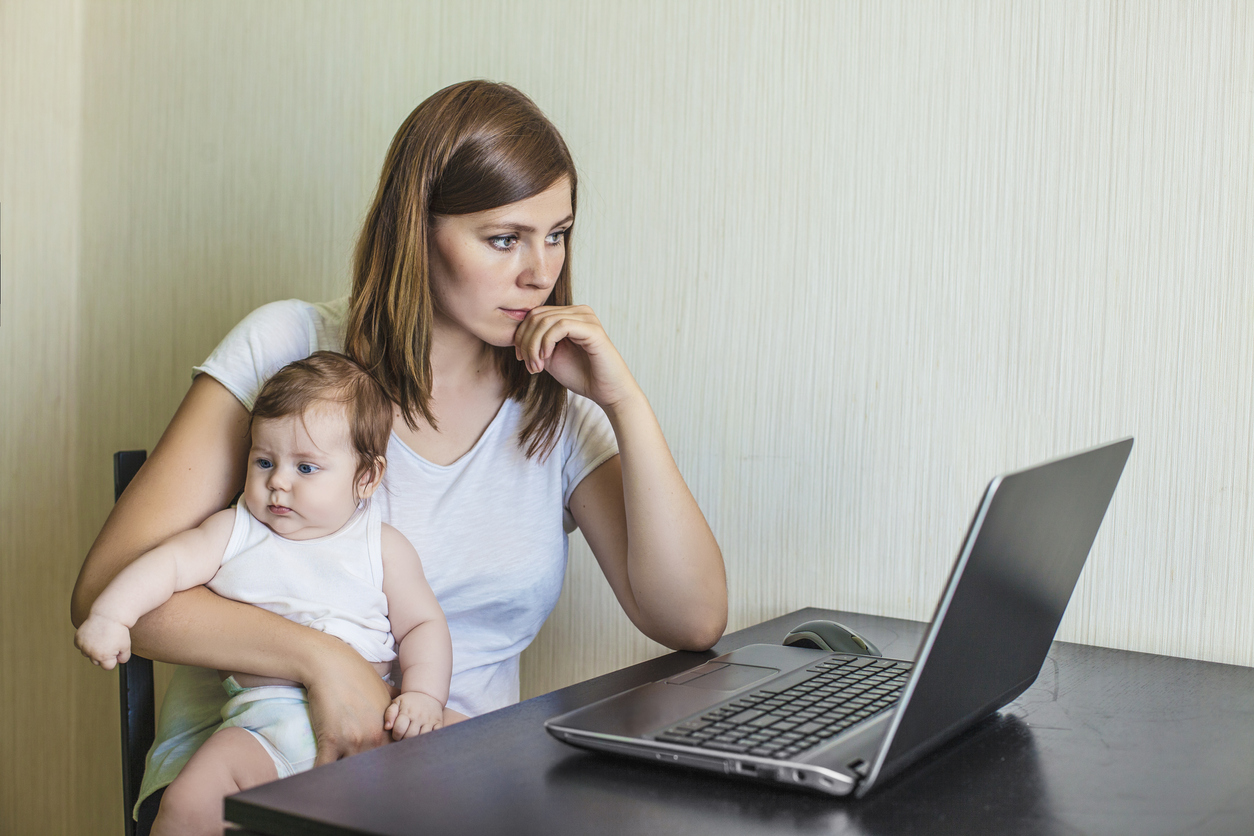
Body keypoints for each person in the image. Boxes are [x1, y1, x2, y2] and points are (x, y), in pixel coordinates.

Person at [70, 79, 727, 826]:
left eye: (558, 233)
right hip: (250, 767)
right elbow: (105, 591)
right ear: (417, 230)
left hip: (454, 785)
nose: (541, 271)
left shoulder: (555, 411)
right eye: (504, 238)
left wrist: (624, 403)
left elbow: (693, 619)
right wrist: (324, 661)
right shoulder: (288, 347)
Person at [75, 352, 452, 835]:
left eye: (307, 468)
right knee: (190, 801)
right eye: (264, 460)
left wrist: (424, 695)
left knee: (476, 748)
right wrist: (111, 614)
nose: (278, 482)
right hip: (261, 730)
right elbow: (165, 566)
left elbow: (423, 624)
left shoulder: (382, 546)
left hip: (374, 723)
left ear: (367, 477)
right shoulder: (235, 531)